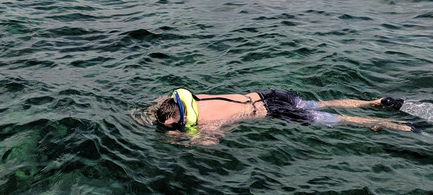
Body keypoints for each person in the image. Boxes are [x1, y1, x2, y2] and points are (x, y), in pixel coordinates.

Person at [156, 88, 419, 134]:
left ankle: (396, 125)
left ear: (173, 118)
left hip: (273, 111)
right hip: (268, 95)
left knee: (335, 120)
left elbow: (213, 142)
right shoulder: (191, 96)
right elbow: (162, 100)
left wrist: (184, 139)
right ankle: (374, 102)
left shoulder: (203, 123)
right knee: (320, 104)